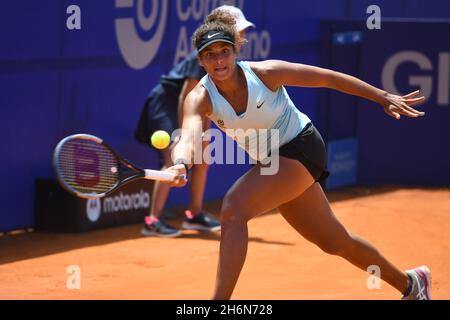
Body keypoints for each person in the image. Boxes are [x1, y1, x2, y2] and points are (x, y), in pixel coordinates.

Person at [165, 11, 432, 300]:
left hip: (302, 146)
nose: (219, 61)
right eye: (210, 55)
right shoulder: (200, 97)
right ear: (200, 60)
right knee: (334, 241)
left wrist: (382, 96)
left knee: (233, 209)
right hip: (272, 163)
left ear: (235, 51)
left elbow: (327, 78)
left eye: (224, 52)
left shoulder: (265, 73)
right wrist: (180, 163)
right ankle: (411, 283)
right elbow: (189, 134)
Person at [134, 6, 255, 237]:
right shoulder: (207, 57)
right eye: (240, 30)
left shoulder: (227, 61)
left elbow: (206, 104)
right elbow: (187, 95)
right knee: (172, 158)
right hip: (168, 104)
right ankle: (152, 220)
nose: (243, 36)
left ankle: (194, 214)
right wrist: (184, 134)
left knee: (203, 157)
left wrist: (204, 137)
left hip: (190, 109)